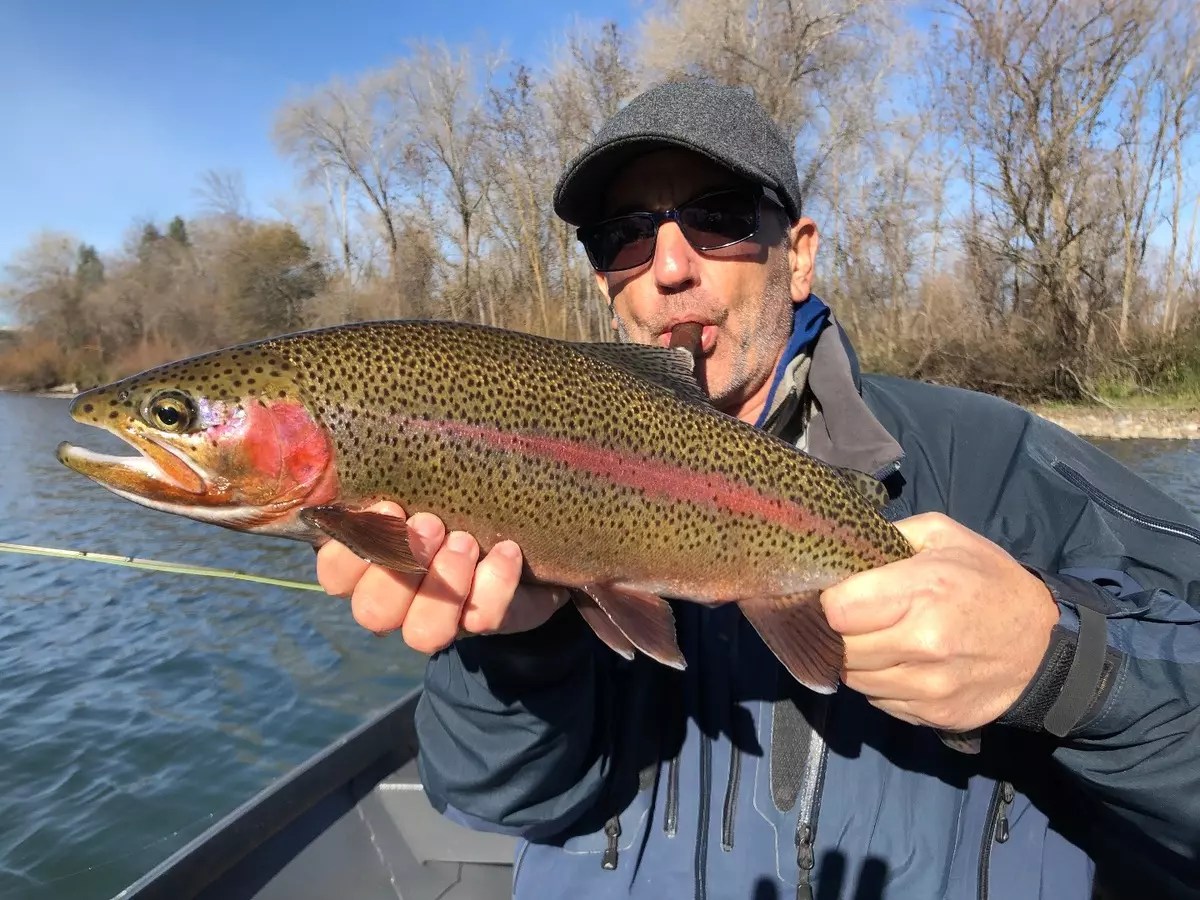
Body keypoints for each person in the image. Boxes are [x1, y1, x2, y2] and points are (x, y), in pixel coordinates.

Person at [315, 79, 1200, 899]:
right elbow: (495, 804)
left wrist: (1062, 668)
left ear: (800, 256)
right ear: (603, 282)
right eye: (624, 234)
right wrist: (520, 649)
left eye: (719, 217)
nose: (668, 267)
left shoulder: (991, 455)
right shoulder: (516, 472)